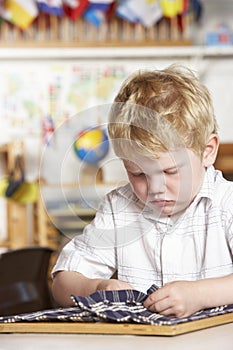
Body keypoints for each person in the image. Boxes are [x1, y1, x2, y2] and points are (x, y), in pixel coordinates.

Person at [52, 64, 233, 318]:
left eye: (170, 171)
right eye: (138, 174)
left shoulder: (227, 204)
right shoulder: (119, 208)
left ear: (208, 151)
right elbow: (62, 283)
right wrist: (96, 288)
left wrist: (200, 295)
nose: (156, 189)